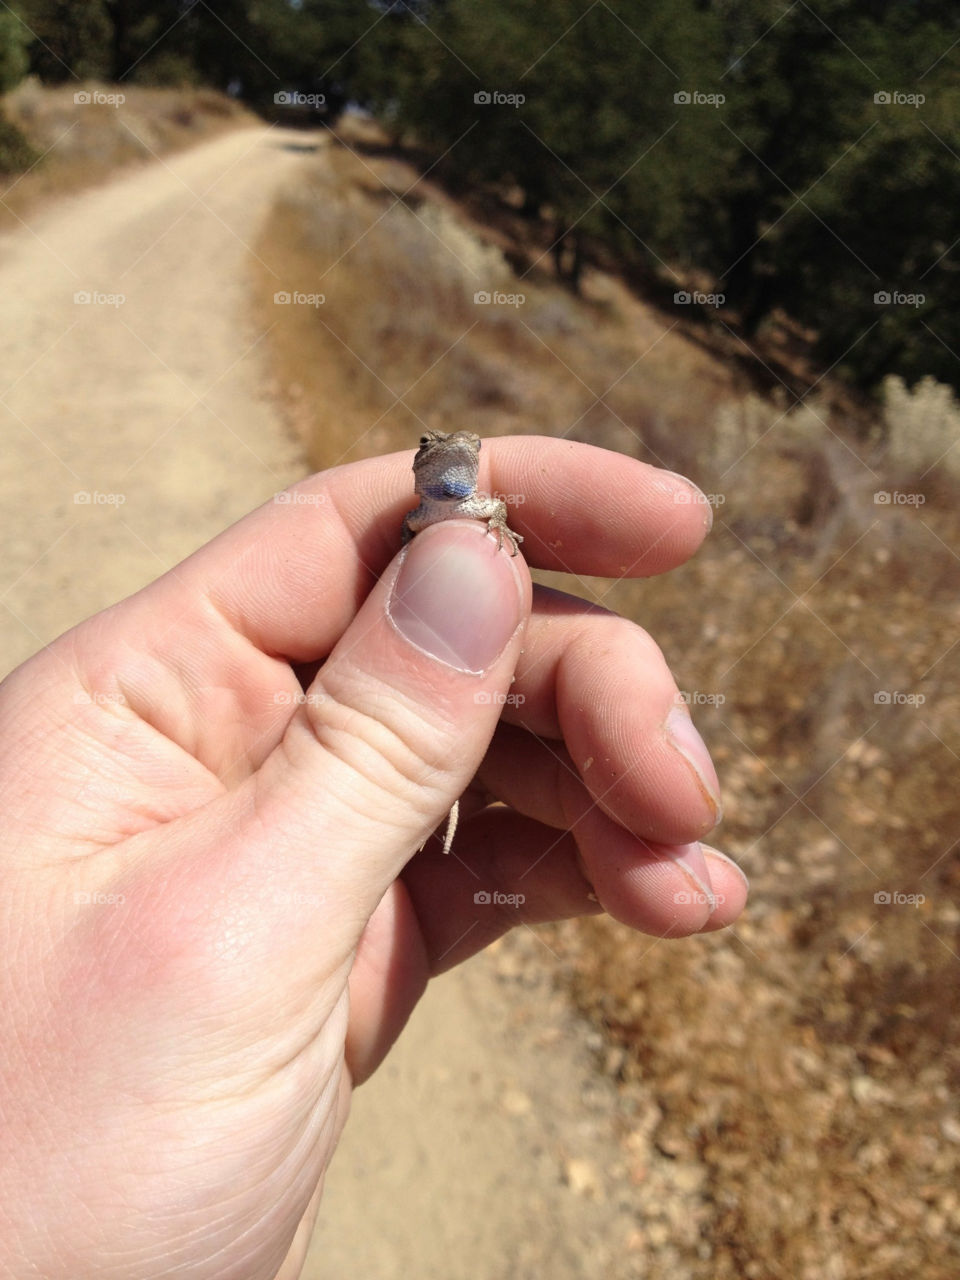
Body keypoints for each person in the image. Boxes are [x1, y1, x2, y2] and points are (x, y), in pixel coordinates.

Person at [0, 437, 747, 1279]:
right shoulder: (419, 516)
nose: (445, 457)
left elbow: (492, 519)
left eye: (452, 454)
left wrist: (473, 562)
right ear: (424, 473)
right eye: (434, 453)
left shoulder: (478, 511)